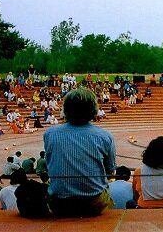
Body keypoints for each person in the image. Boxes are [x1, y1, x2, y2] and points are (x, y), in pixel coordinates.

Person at [44, 88, 116, 217]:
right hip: (94, 203)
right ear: (93, 109)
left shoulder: (50, 134)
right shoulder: (105, 136)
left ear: (66, 109)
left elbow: (50, 164)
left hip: (59, 203)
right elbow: (110, 169)